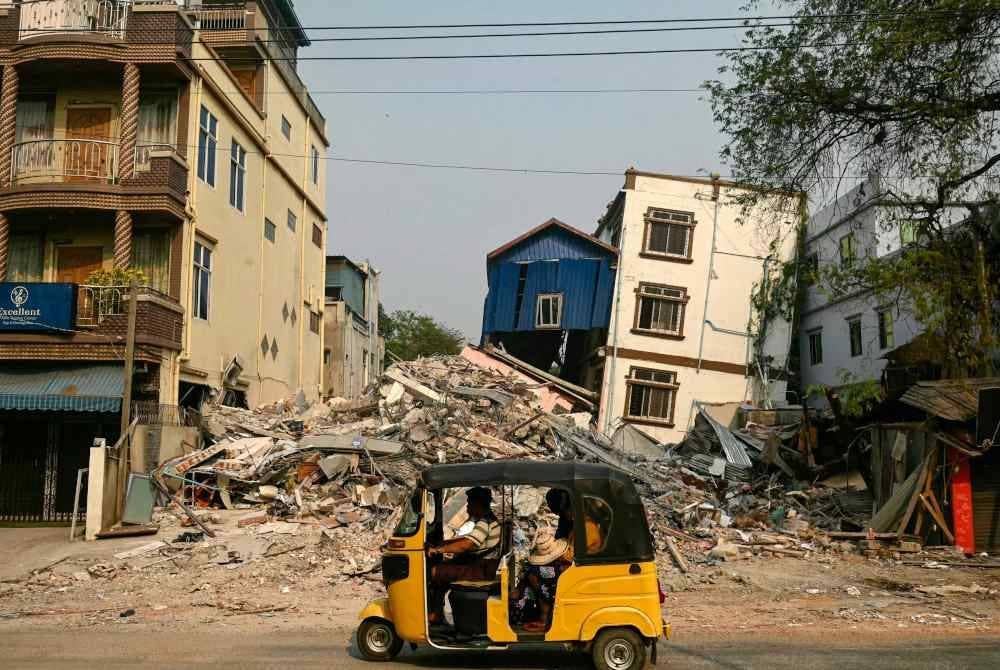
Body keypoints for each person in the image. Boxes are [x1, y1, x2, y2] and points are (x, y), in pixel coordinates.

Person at [426, 486, 501, 624]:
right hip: (479, 566)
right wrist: (444, 543)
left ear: (478, 504)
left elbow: (466, 544)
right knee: (443, 570)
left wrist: (439, 550)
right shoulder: (485, 520)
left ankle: (434, 614)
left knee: (434, 571)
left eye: (469, 503)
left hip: (481, 570)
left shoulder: (485, 522)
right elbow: (468, 539)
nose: (467, 507)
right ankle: (436, 613)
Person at [511, 527, 571, 632]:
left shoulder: (534, 569)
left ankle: (543, 619)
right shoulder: (559, 567)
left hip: (546, 596)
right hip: (551, 593)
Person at [544, 488, 604, 559]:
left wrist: (552, 551)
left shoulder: (586, 527)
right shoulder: (580, 524)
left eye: (565, 512)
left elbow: (571, 556)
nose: (565, 516)